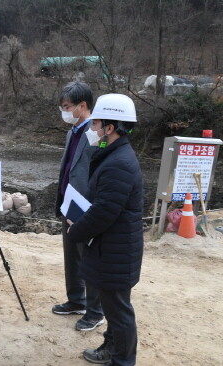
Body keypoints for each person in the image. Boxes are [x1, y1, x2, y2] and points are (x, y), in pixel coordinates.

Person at [66, 93, 143, 366]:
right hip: (112, 248)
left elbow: (104, 213)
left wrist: (75, 230)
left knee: (120, 313)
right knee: (114, 310)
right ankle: (111, 349)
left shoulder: (119, 163)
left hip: (115, 250)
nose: (92, 129)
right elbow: (104, 204)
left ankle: (122, 361)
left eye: (96, 123)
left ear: (110, 128)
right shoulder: (113, 155)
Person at [52, 81, 104, 332]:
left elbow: (100, 173)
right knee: (71, 255)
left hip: (86, 207)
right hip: (68, 204)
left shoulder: (97, 134)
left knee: (89, 259)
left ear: (82, 106)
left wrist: (92, 208)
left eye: (67, 107)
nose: (64, 112)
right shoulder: (72, 131)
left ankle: (96, 312)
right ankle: (76, 301)